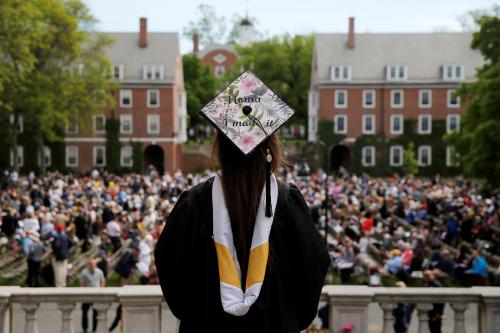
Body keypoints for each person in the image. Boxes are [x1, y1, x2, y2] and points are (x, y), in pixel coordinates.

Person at [155, 72, 330, 333]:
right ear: (270, 146)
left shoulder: (193, 204)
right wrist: (287, 318)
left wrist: (198, 312)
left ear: (220, 147)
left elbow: (170, 267)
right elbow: (313, 267)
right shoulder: (287, 203)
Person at [79, 259, 105, 333]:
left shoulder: (99, 272)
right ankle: (85, 329)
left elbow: (102, 281)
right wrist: (83, 295)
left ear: (95, 265)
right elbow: (82, 285)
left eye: (93, 265)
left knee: (95, 313)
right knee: (84, 312)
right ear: (88, 265)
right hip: (87, 295)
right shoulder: (84, 273)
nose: (92, 266)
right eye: (90, 265)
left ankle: (94, 329)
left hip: (96, 296)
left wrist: (101, 291)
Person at [51, 218, 73, 287]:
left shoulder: (56, 237)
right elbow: (71, 243)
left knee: (58, 271)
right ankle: (63, 284)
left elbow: (56, 245)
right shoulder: (65, 235)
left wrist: (54, 249)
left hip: (58, 256)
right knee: (63, 270)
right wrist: (66, 249)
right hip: (65, 255)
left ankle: (59, 285)